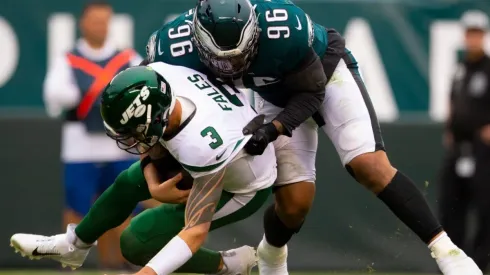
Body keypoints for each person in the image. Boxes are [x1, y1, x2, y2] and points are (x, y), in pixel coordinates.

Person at [142, 1, 481, 274]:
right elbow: (146, 110)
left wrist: (274, 129)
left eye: (238, 56)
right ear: (197, 40)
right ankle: (271, 256)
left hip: (324, 73)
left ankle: (447, 251)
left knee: (368, 165)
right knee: (294, 204)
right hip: (268, 95)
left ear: (254, 33)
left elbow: (312, 91)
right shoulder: (172, 49)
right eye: (220, 60)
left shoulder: (283, 28)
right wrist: (149, 168)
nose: (230, 69)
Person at [11, 63, 278, 275]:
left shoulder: (200, 145)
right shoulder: (163, 78)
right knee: (129, 181)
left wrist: (147, 273)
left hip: (242, 185)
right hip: (203, 148)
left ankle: (226, 265)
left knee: (137, 241)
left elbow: (196, 231)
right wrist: (152, 184)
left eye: (133, 132)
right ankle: (74, 244)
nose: (130, 142)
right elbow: (155, 132)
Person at [43, 0, 144, 269]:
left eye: (104, 21)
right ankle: (72, 263)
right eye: (95, 21)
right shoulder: (68, 59)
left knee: (124, 207)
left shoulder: (127, 59)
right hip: (80, 147)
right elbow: (54, 93)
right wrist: (93, 94)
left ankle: (121, 264)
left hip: (119, 146)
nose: (100, 27)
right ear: (83, 23)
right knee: (77, 205)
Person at [439, 10, 490, 272]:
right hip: (458, 149)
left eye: (477, 34)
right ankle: (451, 264)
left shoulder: (488, 68)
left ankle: (479, 265)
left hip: (483, 152)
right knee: (450, 209)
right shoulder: (460, 68)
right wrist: (450, 128)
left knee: (484, 210)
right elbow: (453, 100)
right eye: (469, 33)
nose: (473, 39)